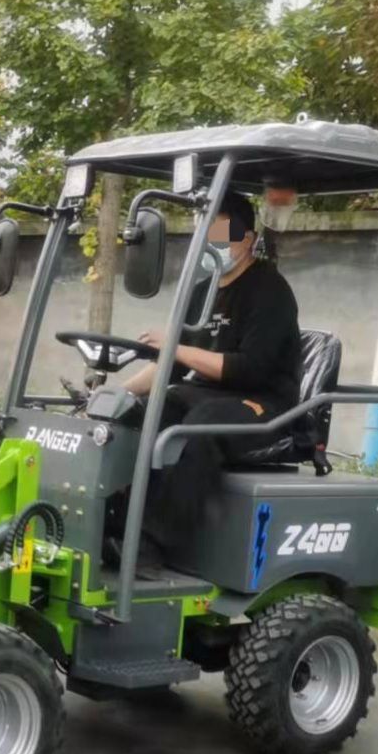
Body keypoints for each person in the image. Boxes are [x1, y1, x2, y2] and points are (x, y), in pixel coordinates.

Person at [123, 191, 301, 576]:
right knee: (150, 411)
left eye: (225, 234)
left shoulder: (270, 291)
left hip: (265, 403)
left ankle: (153, 547)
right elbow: (170, 366)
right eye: (211, 234)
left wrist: (177, 349)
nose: (216, 243)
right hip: (214, 394)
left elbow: (249, 369)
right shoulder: (203, 292)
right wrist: (119, 394)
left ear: (249, 240)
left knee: (201, 423)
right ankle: (118, 524)